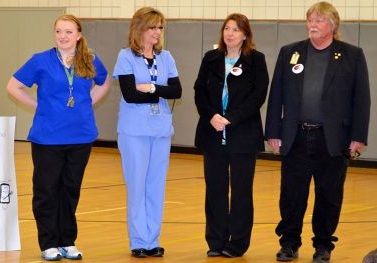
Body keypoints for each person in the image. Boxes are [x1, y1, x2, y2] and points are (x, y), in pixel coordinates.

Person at [265, 2, 370, 262]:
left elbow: (362, 99)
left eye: (319, 20)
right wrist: (273, 132)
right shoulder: (290, 52)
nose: (312, 24)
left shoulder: (352, 55)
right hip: (296, 136)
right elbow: (276, 93)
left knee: (329, 195)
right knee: (291, 195)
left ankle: (323, 245)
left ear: (332, 26)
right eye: (310, 19)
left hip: (333, 139)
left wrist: (358, 136)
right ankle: (289, 242)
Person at [6, 14, 110, 261]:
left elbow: (104, 83)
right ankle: (49, 243)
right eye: (59, 32)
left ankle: (68, 241)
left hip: (81, 137)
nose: (63, 36)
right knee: (46, 191)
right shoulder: (40, 60)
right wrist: (38, 106)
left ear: (79, 35)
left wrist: (88, 102)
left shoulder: (90, 60)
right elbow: (13, 86)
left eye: (68, 32)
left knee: (70, 190)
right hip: (48, 138)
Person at [194, 13, 269, 258]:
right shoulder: (211, 58)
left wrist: (231, 118)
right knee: (215, 190)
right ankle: (216, 241)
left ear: (245, 34)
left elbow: (258, 96)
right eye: (227, 28)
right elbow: (199, 92)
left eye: (236, 29)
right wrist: (211, 116)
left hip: (243, 135)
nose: (230, 33)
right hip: (212, 134)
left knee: (241, 191)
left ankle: (237, 243)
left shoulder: (256, 60)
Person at [112, 7, 182, 258]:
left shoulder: (167, 57)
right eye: (153, 27)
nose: (158, 32)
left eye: (161, 27)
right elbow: (130, 95)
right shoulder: (126, 57)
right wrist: (160, 89)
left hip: (161, 130)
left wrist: (150, 87)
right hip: (134, 131)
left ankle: (153, 239)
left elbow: (176, 91)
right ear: (139, 28)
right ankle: (138, 240)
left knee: (156, 186)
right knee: (137, 186)